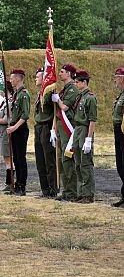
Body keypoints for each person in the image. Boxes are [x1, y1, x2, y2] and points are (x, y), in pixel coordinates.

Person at [51, 64, 80, 201]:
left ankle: (72, 191)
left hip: (68, 127)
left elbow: (64, 106)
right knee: (61, 160)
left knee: (67, 159)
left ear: (69, 73)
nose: (60, 74)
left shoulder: (72, 89)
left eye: (62, 72)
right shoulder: (65, 89)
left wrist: (58, 100)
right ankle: (66, 189)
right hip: (61, 126)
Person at [72, 70, 97, 204]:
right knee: (78, 163)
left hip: (85, 129)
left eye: (77, 82)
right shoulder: (80, 96)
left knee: (86, 163)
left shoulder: (90, 98)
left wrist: (88, 138)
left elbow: (92, 120)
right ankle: (81, 192)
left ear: (84, 82)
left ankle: (88, 194)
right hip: (78, 130)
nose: (75, 84)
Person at [6, 68, 30, 196]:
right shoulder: (16, 94)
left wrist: (15, 127)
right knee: (15, 157)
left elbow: (25, 115)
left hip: (20, 129)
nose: (11, 80)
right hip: (14, 128)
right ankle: (16, 184)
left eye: (12, 78)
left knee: (20, 157)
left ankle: (22, 185)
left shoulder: (24, 94)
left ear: (18, 78)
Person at [34, 67, 57, 197]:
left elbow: (54, 110)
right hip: (38, 126)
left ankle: (53, 188)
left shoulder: (49, 93)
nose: (35, 79)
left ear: (44, 78)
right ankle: (45, 189)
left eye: (37, 77)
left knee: (49, 160)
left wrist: (53, 129)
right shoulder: (40, 93)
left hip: (47, 127)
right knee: (40, 160)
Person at [112, 67, 124, 208]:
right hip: (117, 130)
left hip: (123, 131)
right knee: (120, 164)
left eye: (116, 77)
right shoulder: (121, 95)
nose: (115, 79)